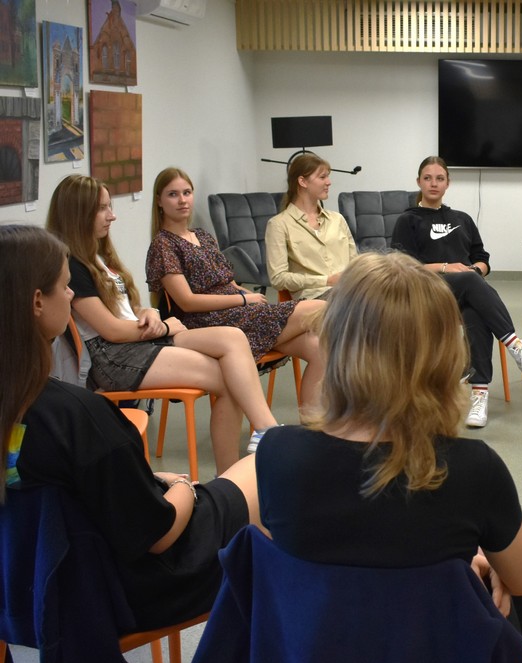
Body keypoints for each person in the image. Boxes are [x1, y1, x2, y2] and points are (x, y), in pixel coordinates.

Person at [254, 251, 522, 663]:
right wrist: (473, 557)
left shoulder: (276, 454)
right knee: (486, 570)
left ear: (334, 341)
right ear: (443, 352)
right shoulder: (473, 469)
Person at [1, 224, 260, 631]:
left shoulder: (34, 413)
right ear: (37, 301)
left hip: (24, 588)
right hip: (128, 588)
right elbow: (159, 534)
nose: (70, 295)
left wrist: (152, 481)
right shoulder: (80, 417)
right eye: (66, 287)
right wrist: (184, 487)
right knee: (263, 471)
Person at [47, 174, 282, 471]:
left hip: (138, 339)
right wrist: (167, 326)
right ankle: (244, 460)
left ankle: (264, 430)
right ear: (78, 214)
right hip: (114, 357)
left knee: (233, 337)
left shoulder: (97, 255)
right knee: (228, 379)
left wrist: (149, 313)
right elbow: (111, 330)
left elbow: (124, 309)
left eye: (110, 207)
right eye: (102, 209)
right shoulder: (72, 264)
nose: (112, 216)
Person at [144, 167, 326, 414]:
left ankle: (311, 426)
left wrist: (244, 294)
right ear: (159, 201)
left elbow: (227, 281)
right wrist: (243, 299)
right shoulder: (163, 244)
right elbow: (187, 302)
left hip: (238, 312)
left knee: (319, 348)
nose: (182, 200)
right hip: (208, 322)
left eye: (187, 192)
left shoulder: (202, 236)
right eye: (173, 194)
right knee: (321, 308)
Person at [391, 155, 522, 428]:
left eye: (439, 178)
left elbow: (482, 259)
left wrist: (475, 270)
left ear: (448, 183)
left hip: (464, 292)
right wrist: (446, 268)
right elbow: (402, 265)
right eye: (427, 178)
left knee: (476, 313)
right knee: (470, 281)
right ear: (419, 182)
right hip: (425, 293)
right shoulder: (408, 220)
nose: (433, 183)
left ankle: (479, 394)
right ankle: (516, 347)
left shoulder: (462, 219)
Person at [264, 152, 357, 301]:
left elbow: (355, 263)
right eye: (322, 177)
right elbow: (278, 278)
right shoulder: (278, 225)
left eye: (328, 176)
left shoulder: (337, 219)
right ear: (302, 181)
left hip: (350, 292)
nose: (329, 182)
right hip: (315, 299)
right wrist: (326, 280)